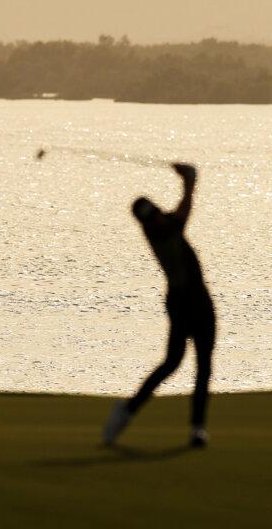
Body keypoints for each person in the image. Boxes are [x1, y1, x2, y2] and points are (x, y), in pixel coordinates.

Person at [103, 162, 216, 449]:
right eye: (150, 219)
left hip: (199, 301)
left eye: (154, 214)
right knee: (172, 363)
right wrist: (190, 179)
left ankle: (197, 429)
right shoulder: (163, 234)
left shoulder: (164, 225)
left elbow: (181, 210)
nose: (156, 220)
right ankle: (126, 412)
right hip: (182, 303)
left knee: (203, 366)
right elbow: (186, 207)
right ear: (145, 224)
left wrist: (189, 180)